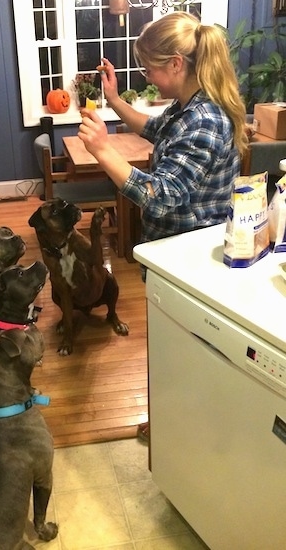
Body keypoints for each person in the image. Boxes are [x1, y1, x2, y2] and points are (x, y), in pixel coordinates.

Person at [77, 11, 247, 439]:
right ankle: (174, 424)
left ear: (176, 64)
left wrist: (104, 151)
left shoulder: (205, 121)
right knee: (175, 347)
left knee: (183, 350)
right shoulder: (188, 106)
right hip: (175, 252)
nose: (146, 75)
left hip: (191, 261)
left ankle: (179, 430)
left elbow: (163, 194)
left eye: (150, 68)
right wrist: (116, 102)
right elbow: (153, 128)